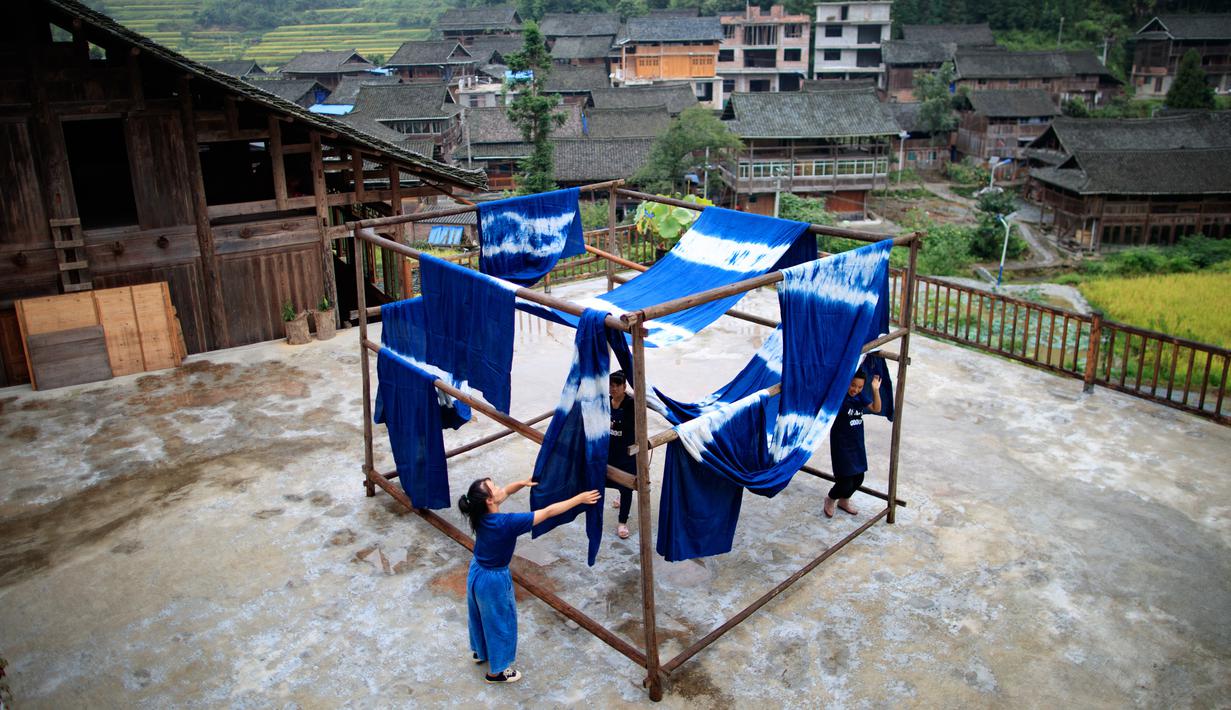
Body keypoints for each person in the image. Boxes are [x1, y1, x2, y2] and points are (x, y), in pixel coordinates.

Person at [458, 477, 599, 683]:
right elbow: (549, 512)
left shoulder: (478, 514)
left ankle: (481, 652)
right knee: (501, 622)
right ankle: (496, 672)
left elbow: (505, 492)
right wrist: (579, 498)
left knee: (480, 615)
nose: (499, 487)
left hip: (477, 571)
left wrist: (521, 484)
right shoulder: (506, 523)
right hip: (493, 580)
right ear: (489, 500)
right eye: (494, 487)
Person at [824, 368, 881, 518]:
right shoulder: (840, 397)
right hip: (841, 444)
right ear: (847, 382)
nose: (855, 389)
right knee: (845, 482)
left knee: (859, 478)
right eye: (853, 385)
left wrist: (875, 389)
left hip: (856, 444)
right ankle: (830, 499)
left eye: (860, 387)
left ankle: (844, 501)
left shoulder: (860, 397)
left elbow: (877, 408)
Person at [606, 370, 636, 539]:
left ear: (624, 387)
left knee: (626, 486)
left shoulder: (631, 404)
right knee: (602, 478)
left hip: (626, 452)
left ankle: (622, 522)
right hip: (609, 449)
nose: (613, 389)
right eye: (611, 385)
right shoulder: (605, 401)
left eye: (617, 386)